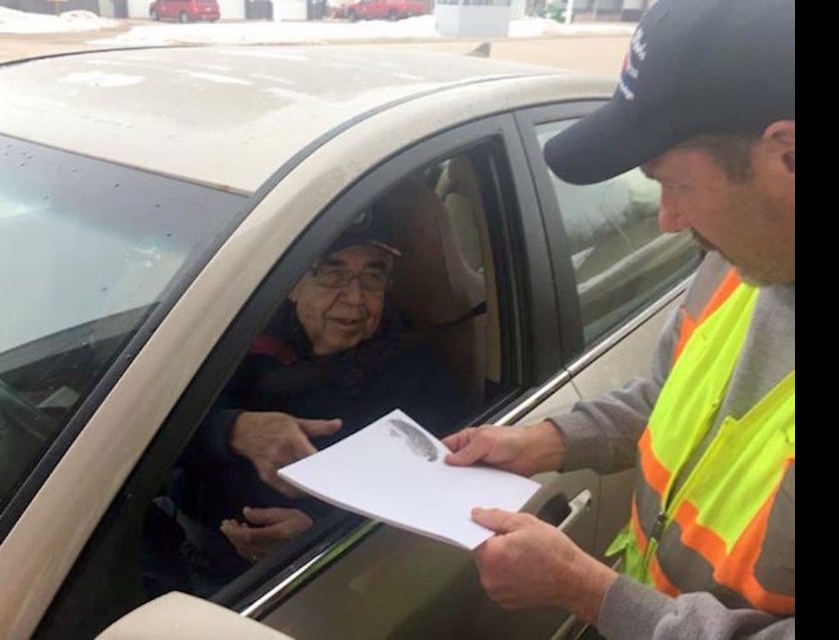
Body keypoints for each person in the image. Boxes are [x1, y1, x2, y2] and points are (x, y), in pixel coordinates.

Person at [442, 0, 794, 637]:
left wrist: (593, 593)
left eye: (677, 185)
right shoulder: (745, 260)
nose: (667, 220)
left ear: (787, 155)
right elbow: (673, 398)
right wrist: (546, 441)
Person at [167, 210, 467, 595]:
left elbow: (439, 485)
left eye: (373, 276)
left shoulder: (416, 369)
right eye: (333, 273)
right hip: (190, 553)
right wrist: (233, 429)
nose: (355, 298)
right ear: (292, 285)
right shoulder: (230, 343)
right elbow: (147, 438)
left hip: (335, 578)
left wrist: (319, 533)